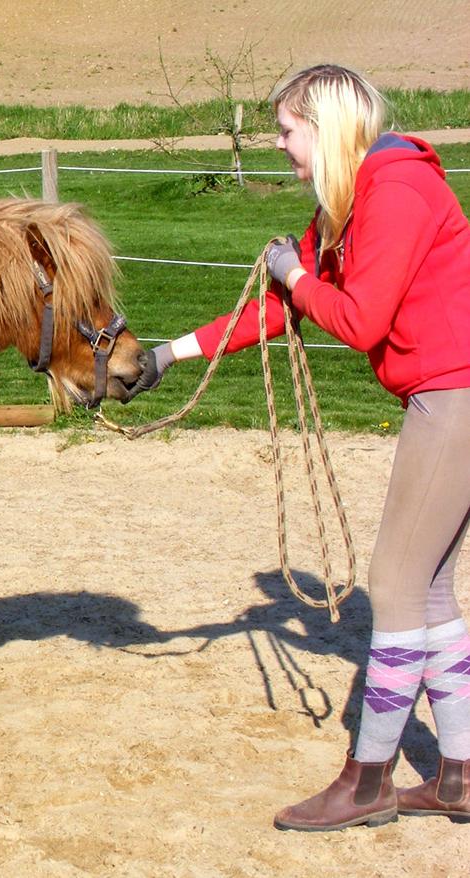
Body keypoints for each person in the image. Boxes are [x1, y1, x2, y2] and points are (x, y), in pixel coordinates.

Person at [127, 64, 470, 831]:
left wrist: (293, 271)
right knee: (432, 589)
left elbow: (358, 321)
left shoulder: (398, 192)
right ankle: (458, 775)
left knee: (394, 583)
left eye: (287, 130)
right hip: (445, 393)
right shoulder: (350, 205)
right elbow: (279, 312)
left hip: (457, 396)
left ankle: (370, 779)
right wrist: (168, 355)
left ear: (325, 126)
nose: (281, 145)